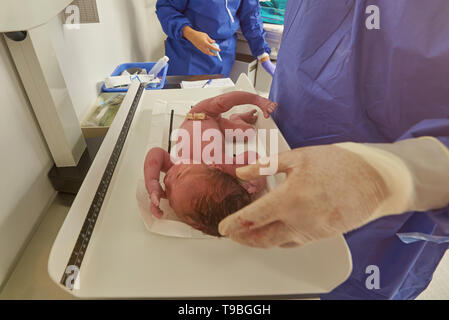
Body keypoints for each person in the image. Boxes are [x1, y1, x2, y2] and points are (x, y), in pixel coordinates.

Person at [218, 0, 449, 300]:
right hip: (283, 165)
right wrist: (263, 120)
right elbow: (313, 49)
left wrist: (389, 176)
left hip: (389, 227)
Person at [144, 92, 277, 236]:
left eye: (168, 193)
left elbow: (155, 153)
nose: (166, 180)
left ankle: (244, 110)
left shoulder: (177, 167)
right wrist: (258, 174)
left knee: (232, 117)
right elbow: (254, 157)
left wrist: (152, 184)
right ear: (215, 167)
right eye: (178, 175)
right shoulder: (224, 164)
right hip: (206, 117)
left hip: (206, 120)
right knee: (247, 131)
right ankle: (243, 111)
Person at [155, 0, 276, 77]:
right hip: (189, 53)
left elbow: (251, 15)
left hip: (224, 55)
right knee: (185, 108)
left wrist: (262, 54)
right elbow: (166, 8)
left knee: (213, 108)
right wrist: (190, 33)